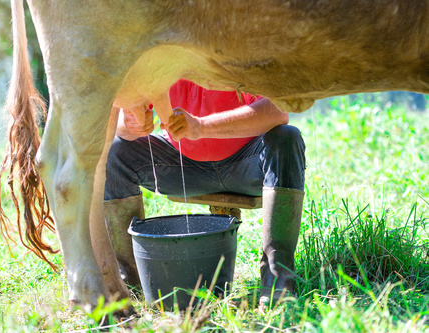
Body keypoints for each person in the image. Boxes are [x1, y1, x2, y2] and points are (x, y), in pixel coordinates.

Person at [103, 79, 306, 303]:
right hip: (183, 164)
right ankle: (129, 280)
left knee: (287, 137)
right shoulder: (161, 58)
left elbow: (278, 112)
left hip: (247, 163)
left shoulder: (236, 49)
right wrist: (131, 124)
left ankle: (278, 274)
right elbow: (122, 123)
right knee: (115, 151)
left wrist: (201, 126)